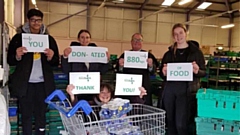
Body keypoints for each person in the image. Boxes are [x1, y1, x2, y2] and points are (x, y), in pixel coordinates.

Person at [7, 9, 59, 135]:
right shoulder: (18, 38)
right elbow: (10, 60)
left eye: (39, 20)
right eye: (33, 20)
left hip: (43, 84)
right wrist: (17, 55)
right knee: (26, 115)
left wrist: (51, 56)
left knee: (41, 114)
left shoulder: (49, 39)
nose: (36, 23)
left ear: (42, 22)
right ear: (28, 21)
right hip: (25, 85)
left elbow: (55, 63)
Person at [159, 23, 206, 135]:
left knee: (181, 124)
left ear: (186, 34)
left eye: (180, 33)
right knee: (170, 123)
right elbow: (162, 74)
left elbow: (203, 72)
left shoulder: (196, 53)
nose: (178, 36)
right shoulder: (168, 54)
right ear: (172, 36)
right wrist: (163, 72)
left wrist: (197, 71)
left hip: (186, 93)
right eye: (175, 34)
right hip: (170, 92)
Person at [61, 29, 109, 102]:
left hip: (93, 90)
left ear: (90, 39)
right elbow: (66, 69)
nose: (85, 40)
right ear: (78, 39)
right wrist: (65, 56)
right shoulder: (72, 52)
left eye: (87, 37)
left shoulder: (97, 53)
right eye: (82, 37)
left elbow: (103, 70)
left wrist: (107, 60)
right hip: (77, 90)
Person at [115, 33, 159, 105]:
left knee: (144, 109)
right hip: (128, 88)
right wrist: (120, 66)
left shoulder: (148, 55)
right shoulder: (125, 55)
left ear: (142, 42)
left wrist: (150, 65)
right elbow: (118, 71)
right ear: (131, 42)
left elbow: (153, 71)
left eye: (139, 40)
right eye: (134, 40)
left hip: (143, 87)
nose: (136, 42)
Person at [66, 83, 147, 106]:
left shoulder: (118, 104)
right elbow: (77, 108)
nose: (105, 95)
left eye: (108, 92)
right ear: (97, 94)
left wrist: (140, 96)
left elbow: (136, 107)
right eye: (102, 92)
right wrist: (72, 95)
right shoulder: (91, 104)